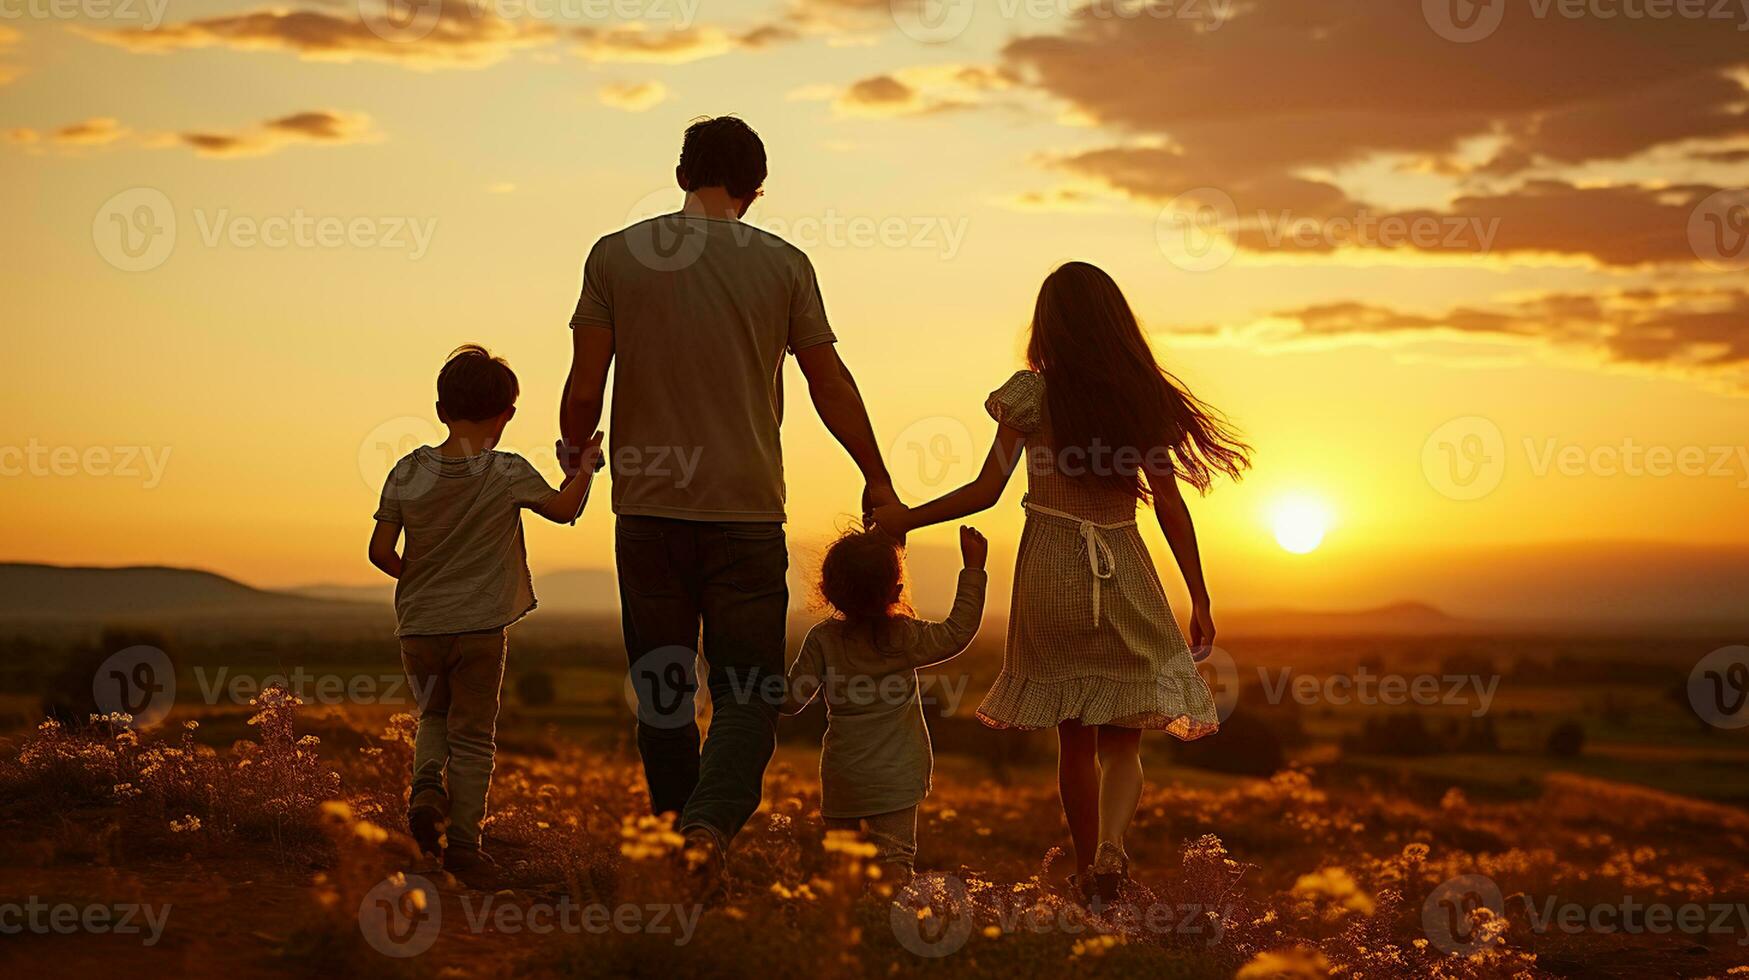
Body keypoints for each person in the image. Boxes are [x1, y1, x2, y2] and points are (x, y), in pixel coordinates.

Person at [558, 116, 898, 897]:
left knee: (664, 695)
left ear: (682, 172)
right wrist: (876, 476)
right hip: (746, 514)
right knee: (748, 696)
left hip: (645, 513)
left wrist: (578, 458)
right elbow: (827, 383)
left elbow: (585, 386)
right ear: (756, 187)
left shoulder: (615, 255)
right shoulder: (783, 265)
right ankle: (706, 832)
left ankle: (680, 844)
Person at [872, 261, 1250, 905]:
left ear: (1049, 324)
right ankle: (1112, 849)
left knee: (1073, 738)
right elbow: (1169, 504)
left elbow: (987, 489)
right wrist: (1200, 594)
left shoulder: (1031, 394)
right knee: (1122, 737)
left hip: (1050, 569)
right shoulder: (1141, 396)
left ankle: (1085, 875)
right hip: (1124, 567)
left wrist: (906, 517)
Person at [369, 344, 602, 888]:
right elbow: (565, 511)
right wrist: (585, 467)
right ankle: (465, 848)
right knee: (473, 738)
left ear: (441, 408)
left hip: (419, 627)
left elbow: (380, 552)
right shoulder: (507, 472)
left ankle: (426, 791)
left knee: (432, 717)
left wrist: (424, 582)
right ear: (507, 414)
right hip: (480, 630)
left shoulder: (407, 471)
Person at [781, 525, 988, 884]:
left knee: (843, 874)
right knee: (894, 869)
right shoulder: (903, 636)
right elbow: (957, 632)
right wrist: (972, 570)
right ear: (896, 590)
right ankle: (886, 931)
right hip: (897, 783)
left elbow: (790, 700)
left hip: (843, 783)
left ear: (828, 590)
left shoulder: (822, 639)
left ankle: (847, 933)